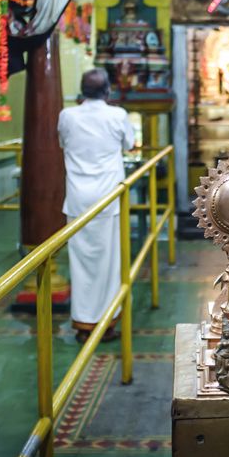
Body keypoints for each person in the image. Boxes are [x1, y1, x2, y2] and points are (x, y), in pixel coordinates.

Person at [57, 68, 135, 343]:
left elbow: (63, 143)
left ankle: (82, 324)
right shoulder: (118, 115)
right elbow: (130, 143)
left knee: (79, 263)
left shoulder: (67, 116)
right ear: (108, 91)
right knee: (109, 262)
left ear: (81, 90)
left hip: (78, 198)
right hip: (108, 199)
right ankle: (106, 322)